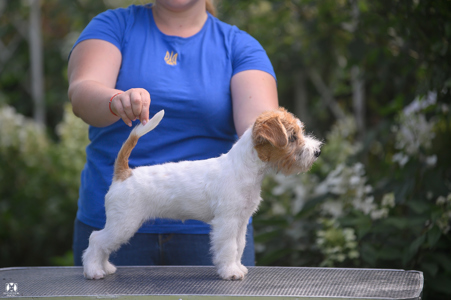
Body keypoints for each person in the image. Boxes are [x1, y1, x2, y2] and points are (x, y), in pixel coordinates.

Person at [68, 0, 278, 267]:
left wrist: (275, 136)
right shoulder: (113, 25)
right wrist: (115, 100)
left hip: (213, 225)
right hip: (119, 202)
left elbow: (257, 126)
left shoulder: (241, 46)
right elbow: (82, 93)